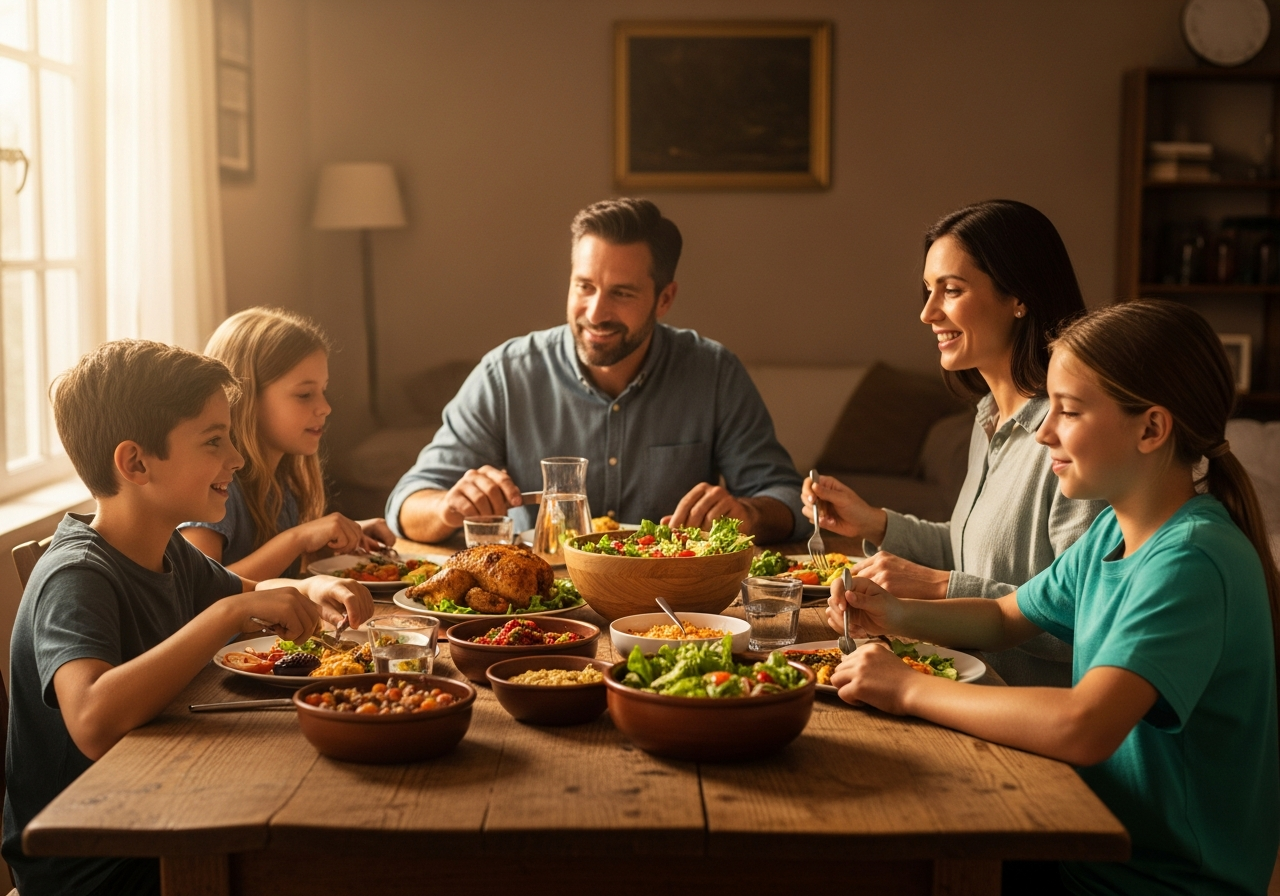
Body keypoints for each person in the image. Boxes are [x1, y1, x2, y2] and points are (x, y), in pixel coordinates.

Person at [827, 300, 1280, 895]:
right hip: (1083, 844)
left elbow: (1083, 725)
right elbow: (1003, 616)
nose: (1043, 432)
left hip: (1154, 882)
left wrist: (910, 688)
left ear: (1151, 428)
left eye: (1068, 410)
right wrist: (897, 613)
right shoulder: (1114, 531)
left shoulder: (1192, 559)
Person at [3, 340, 374, 896]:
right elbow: (93, 720)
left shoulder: (168, 551)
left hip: (161, 805)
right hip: (95, 862)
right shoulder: (76, 575)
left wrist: (308, 586)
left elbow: (251, 593)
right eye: (213, 441)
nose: (237, 458)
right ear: (135, 463)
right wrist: (229, 612)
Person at [805, 200, 1105, 686]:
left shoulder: (1073, 438)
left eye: (952, 290)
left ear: (1019, 297)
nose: (927, 313)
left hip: (1021, 715)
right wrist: (877, 523)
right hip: (964, 685)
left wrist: (939, 588)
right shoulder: (988, 417)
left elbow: (1083, 621)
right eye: (928, 291)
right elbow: (974, 550)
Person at [388, 197, 805, 544]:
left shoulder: (714, 373)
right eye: (584, 286)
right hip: (541, 604)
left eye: (621, 293)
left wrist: (748, 513)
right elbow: (406, 503)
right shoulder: (505, 375)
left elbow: (788, 499)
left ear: (665, 299)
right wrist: (448, 507)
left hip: (670, 603)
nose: (595, 312)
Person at [179, 308, 398, 579]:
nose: (325, 407)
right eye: (305, 394)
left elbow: (274, 569)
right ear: (245, 397)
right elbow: (197, 589)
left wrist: (338, 538)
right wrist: (298, 538)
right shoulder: (219, 484)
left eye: (323, 390)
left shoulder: (281, 486)